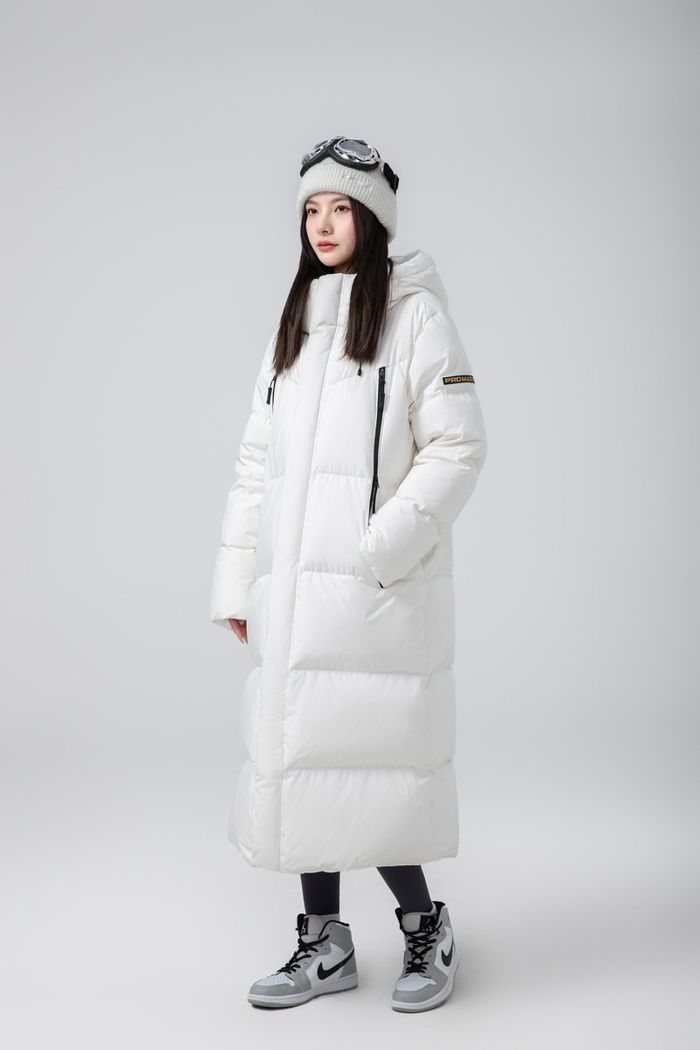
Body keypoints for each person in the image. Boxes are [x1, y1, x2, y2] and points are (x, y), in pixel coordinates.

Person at [210, 136, 488, 1012]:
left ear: (372, 218)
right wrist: (239, 581)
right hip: (293, 593)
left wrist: (381, 549)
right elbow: (256, 463)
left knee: (375, 765)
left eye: (339, 208)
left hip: (373, 596)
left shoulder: (414, 317)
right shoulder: (293, 321)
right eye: (310, 209)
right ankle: (326, 943)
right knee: (306, 762)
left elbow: (459, 445)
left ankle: (425, 924)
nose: (323, 224)